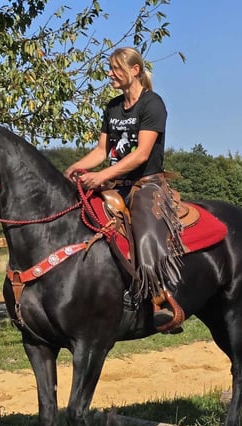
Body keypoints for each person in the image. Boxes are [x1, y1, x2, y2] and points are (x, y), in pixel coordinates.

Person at [63, 47, 185, 332]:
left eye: (116, 68)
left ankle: (159, 301)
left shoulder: (152, 104)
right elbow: (101, 150)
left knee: (144, 232)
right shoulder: (113, 107)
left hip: (146, 185)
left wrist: (101, 175)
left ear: (135, 71)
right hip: (117, 184)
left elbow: (142, 154)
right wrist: (75, 168)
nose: (110, 74)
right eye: (110, 68)